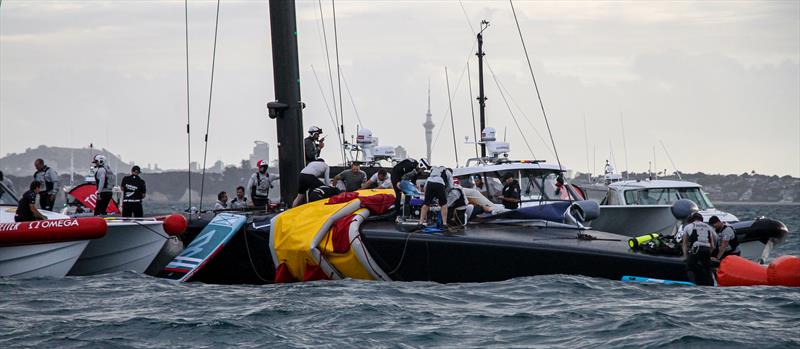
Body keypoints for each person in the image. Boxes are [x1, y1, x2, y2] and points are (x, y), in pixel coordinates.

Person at [680, 212, 718, 286]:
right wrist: (708, 255)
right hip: (707, 249)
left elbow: (684, 243)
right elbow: (713, 246)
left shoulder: (688, 226)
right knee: (708, 269)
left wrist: (686, 256)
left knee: (689, 268)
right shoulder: (708, 227)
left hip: (696, 249)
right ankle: (711, 285)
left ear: (692, 219)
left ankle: (693, 285)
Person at [418, 166, 454, 231]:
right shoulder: (448, 172)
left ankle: (420, 223)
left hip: (429, 183)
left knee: (426, 204)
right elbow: (451, 186)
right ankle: (444, 224)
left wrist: (426, 196)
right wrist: (445, 194)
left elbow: (426, 185)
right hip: (439, 184)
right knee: (444, 205)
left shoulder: (434, 170)